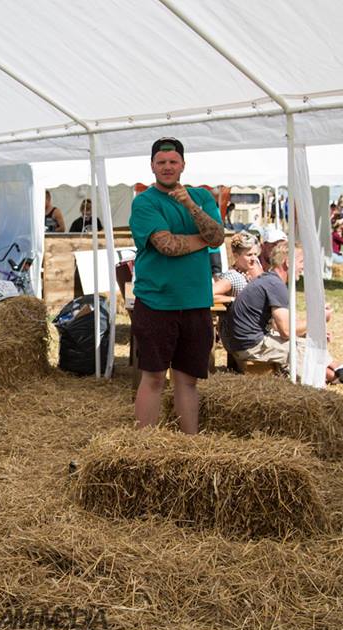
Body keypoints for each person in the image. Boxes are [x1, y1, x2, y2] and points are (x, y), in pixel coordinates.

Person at [129, 137, 224, 434]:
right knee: (154, 377)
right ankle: (144, 445)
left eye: (172, 161)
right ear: (152, 166)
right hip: (157, 301)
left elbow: (218, 237)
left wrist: (189, 204)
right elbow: (166, 245)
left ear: (183, 164)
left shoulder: (202, 197)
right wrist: (202, 240)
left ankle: (190, 445)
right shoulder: (144, 202)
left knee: (187, 380)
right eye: (161, 162)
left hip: (195, 302)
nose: (167, 167)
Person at [222, 240, 343, 384]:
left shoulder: (269, 280)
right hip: (248, 346)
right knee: (301, 348)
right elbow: (286, 331)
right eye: (301, 262)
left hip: (240, 342)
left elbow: (276, 324)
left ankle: (338, 372)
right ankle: (328, 377)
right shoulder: (275, 285)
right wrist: (317, 319)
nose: (303, 267)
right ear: (287, 262)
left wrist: (309, 330)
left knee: (303, 342)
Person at [213, 231, 263, 297]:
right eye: (249, 255)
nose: (254, 258)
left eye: (255, 254)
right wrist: (233, 300)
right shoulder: (234, 277)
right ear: (236, 256)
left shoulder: (246, 273)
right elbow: (210, 294)